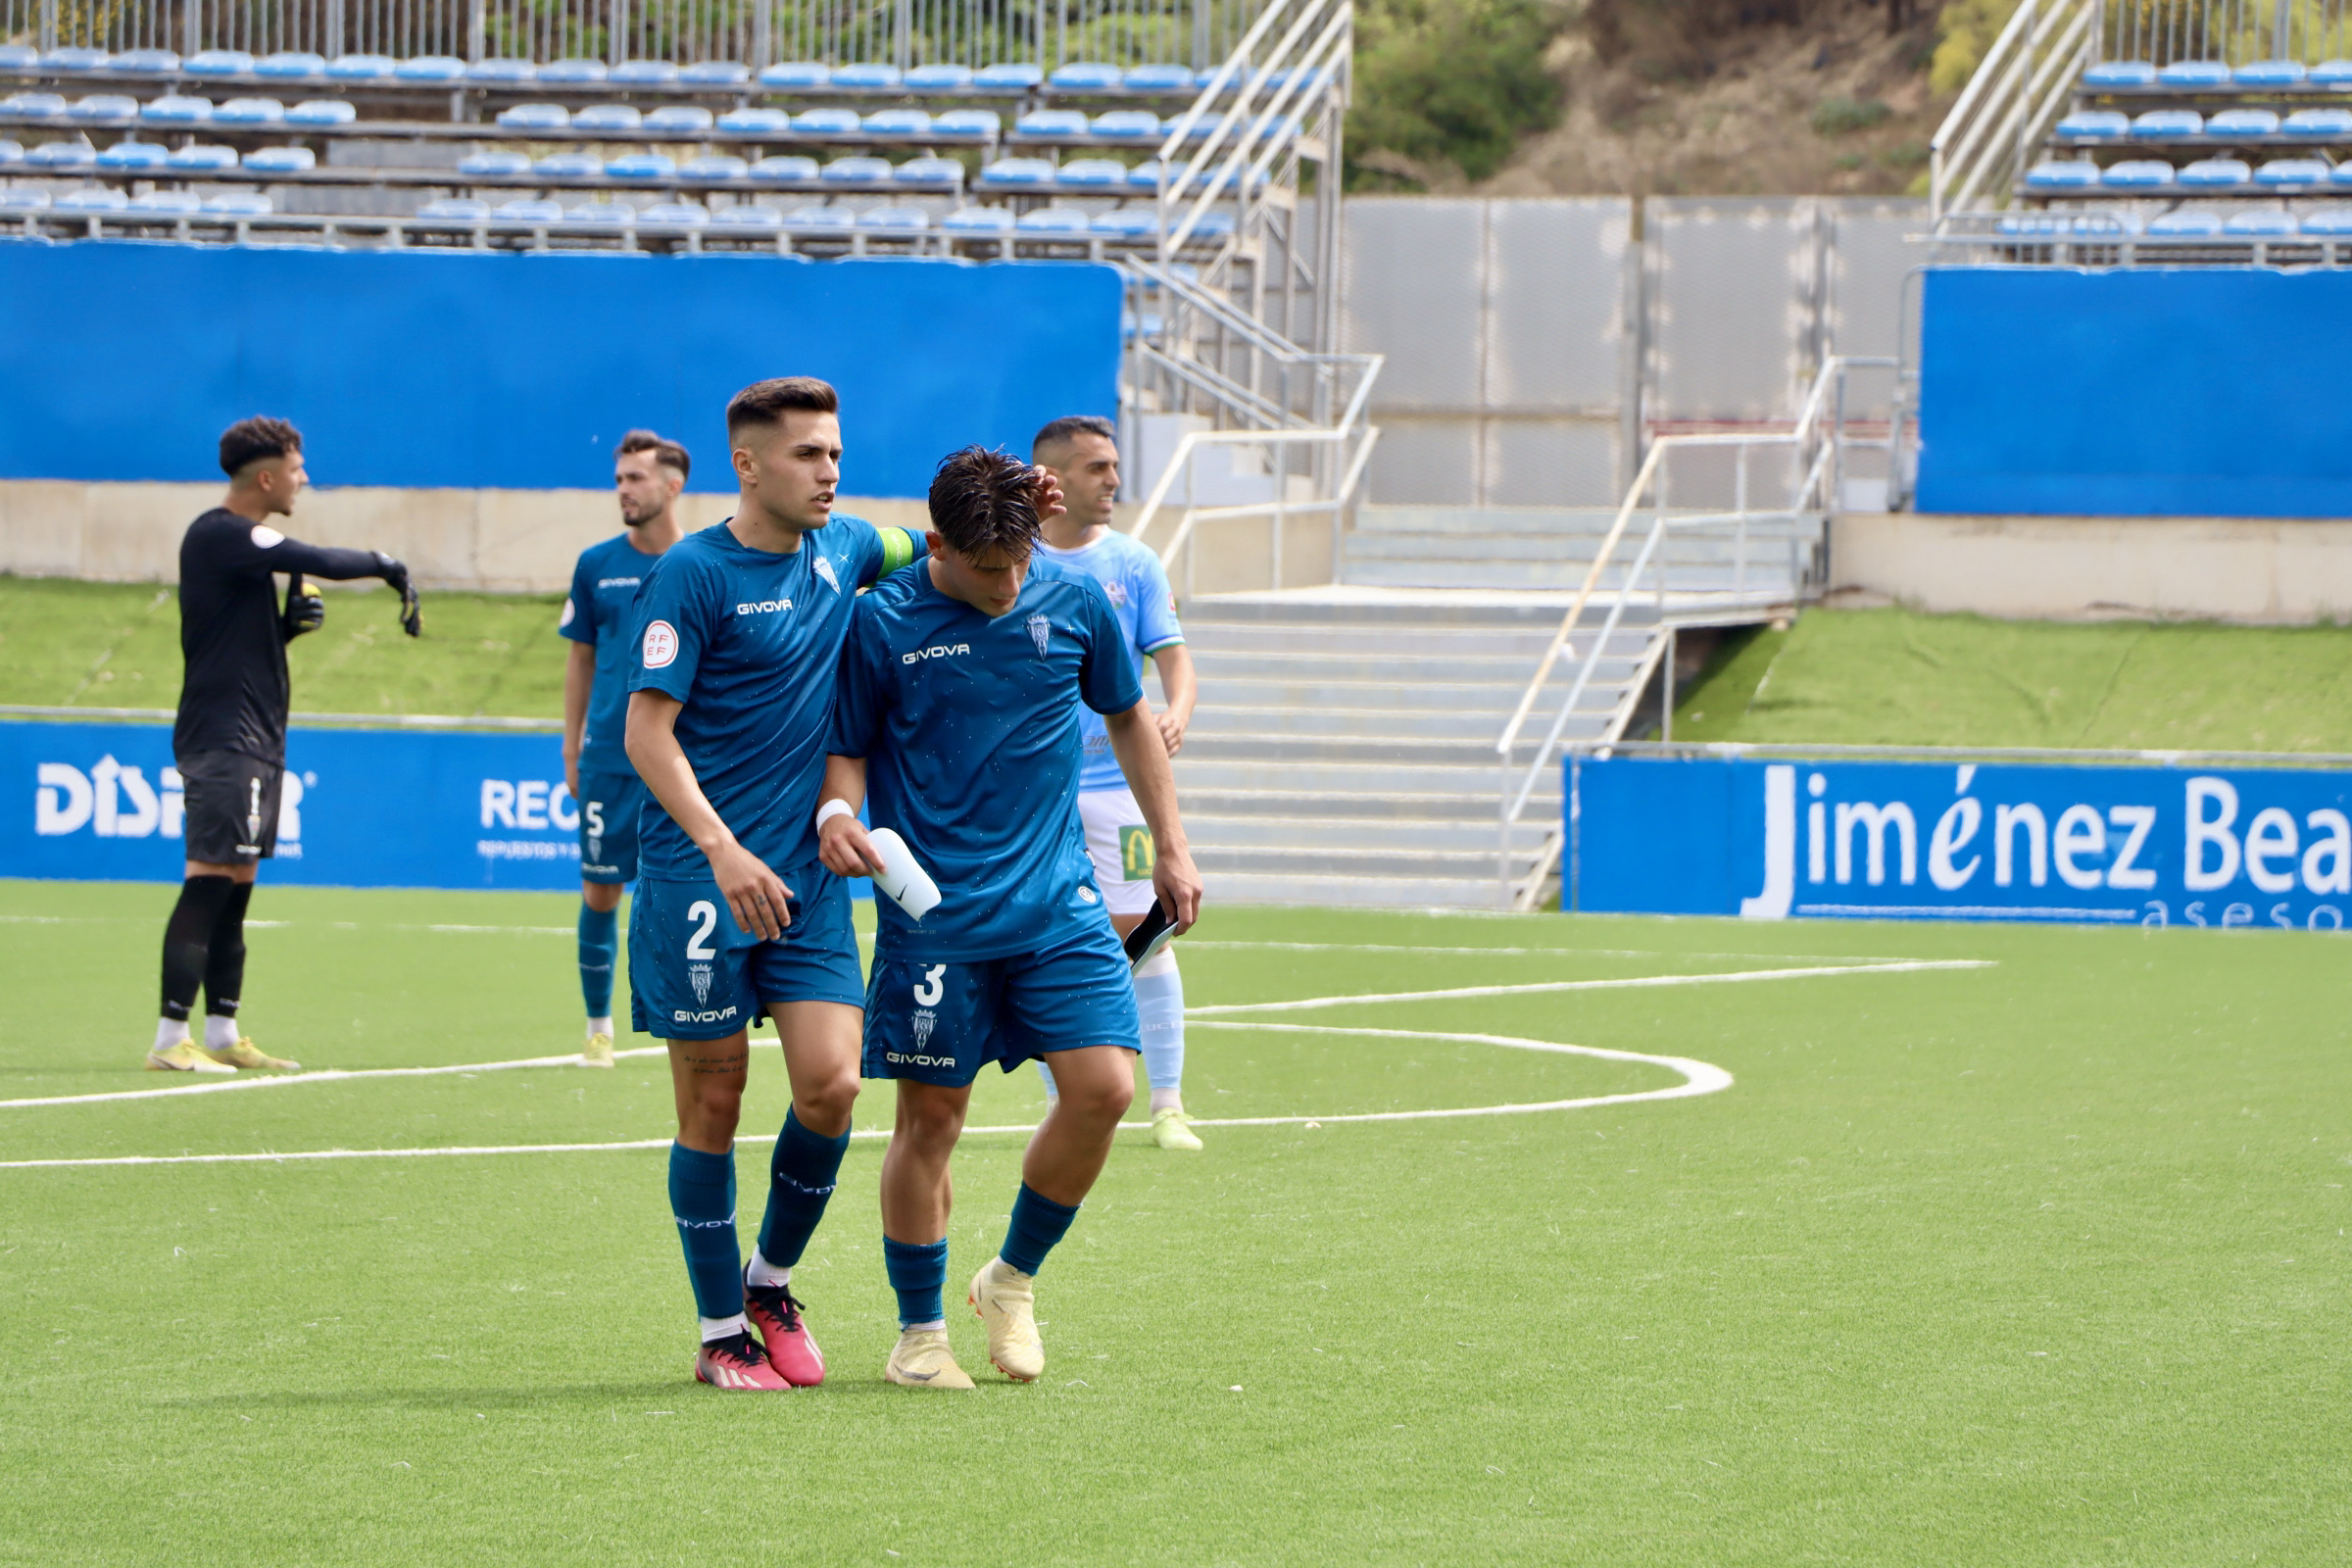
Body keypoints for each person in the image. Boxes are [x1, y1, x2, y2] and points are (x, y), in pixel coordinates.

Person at [816, 445, 1203, 1391]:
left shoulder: (1072, 600)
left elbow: (1128, 719)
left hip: (1057, 902)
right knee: (931, 1124)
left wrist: (1174, 844)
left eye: (1022, 560)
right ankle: (920, 1335)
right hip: (935, 917)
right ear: (937, 545)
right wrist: (837, 813)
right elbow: (848, 752)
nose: (1009, 583)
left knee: (1107, 1088)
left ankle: (1012, 1281)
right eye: (989, 568)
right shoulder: (880, 622)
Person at [622, 377, 926, 1393]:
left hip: (803, 880)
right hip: (699, 877)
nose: (829, 470)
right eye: (807, 454)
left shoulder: (845, 549)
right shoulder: (692, 576)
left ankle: (769, 1282)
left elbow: (936, 543)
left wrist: (1024, 498)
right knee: (713, 1100)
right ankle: (719, 1333)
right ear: (748, 464)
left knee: (834, 1084)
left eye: (836, 452)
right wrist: (720, 846)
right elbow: (645, 734)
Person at [147, 416, 420, 1074]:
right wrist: (386, 566)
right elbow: (315, 558)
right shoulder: (221, 534)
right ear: (265, 477)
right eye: (297, 468)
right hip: (225, 740)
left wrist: (285, 632)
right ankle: (168, 1039)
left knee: (236, 889)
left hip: (257, 741)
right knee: (208, 883)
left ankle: (221, 1032)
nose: (304, 479)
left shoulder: (238, 552)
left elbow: (235, 645)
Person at [1028, 415, 1202, 1151]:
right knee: (1049, 938)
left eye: (1114, 467)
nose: (1113, 481)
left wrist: (1179, 708)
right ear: (1053, 479)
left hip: (1114, 786)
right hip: (1036, 793)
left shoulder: (1132, 562)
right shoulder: (1014, 562)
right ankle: (1062, 1102)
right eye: (1097, 467)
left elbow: (1174, 657)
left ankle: (1168, 1104)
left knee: (1148, 937)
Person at [560, 430, 690, 1068]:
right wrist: (571, 746)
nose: (623, 491)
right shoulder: (595, 565)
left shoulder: (700, 561)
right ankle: (598, 1025)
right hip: (610, 758)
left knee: (679, 890)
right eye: (619, 480)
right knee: (600, 891)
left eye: (635, 479)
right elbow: (580, 658)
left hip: (681, 757)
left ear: (672, 486)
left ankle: (681, 1013)